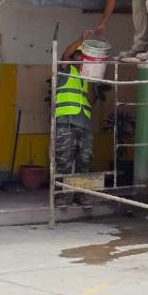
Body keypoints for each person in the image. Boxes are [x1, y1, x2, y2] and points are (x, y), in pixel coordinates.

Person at [54, 38, 93, 207]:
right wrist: (82, 38)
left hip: (84, 123)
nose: (81, 59)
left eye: (84, 57)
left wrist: (90, 80)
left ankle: (80, 195)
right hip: (66, 121)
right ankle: (60, 196)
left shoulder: (86, 77)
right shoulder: (66, 70)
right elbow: (64, 55)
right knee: (63, 160)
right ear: (73, 57)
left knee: (84, 161)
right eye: (78, 55)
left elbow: (91, 99)